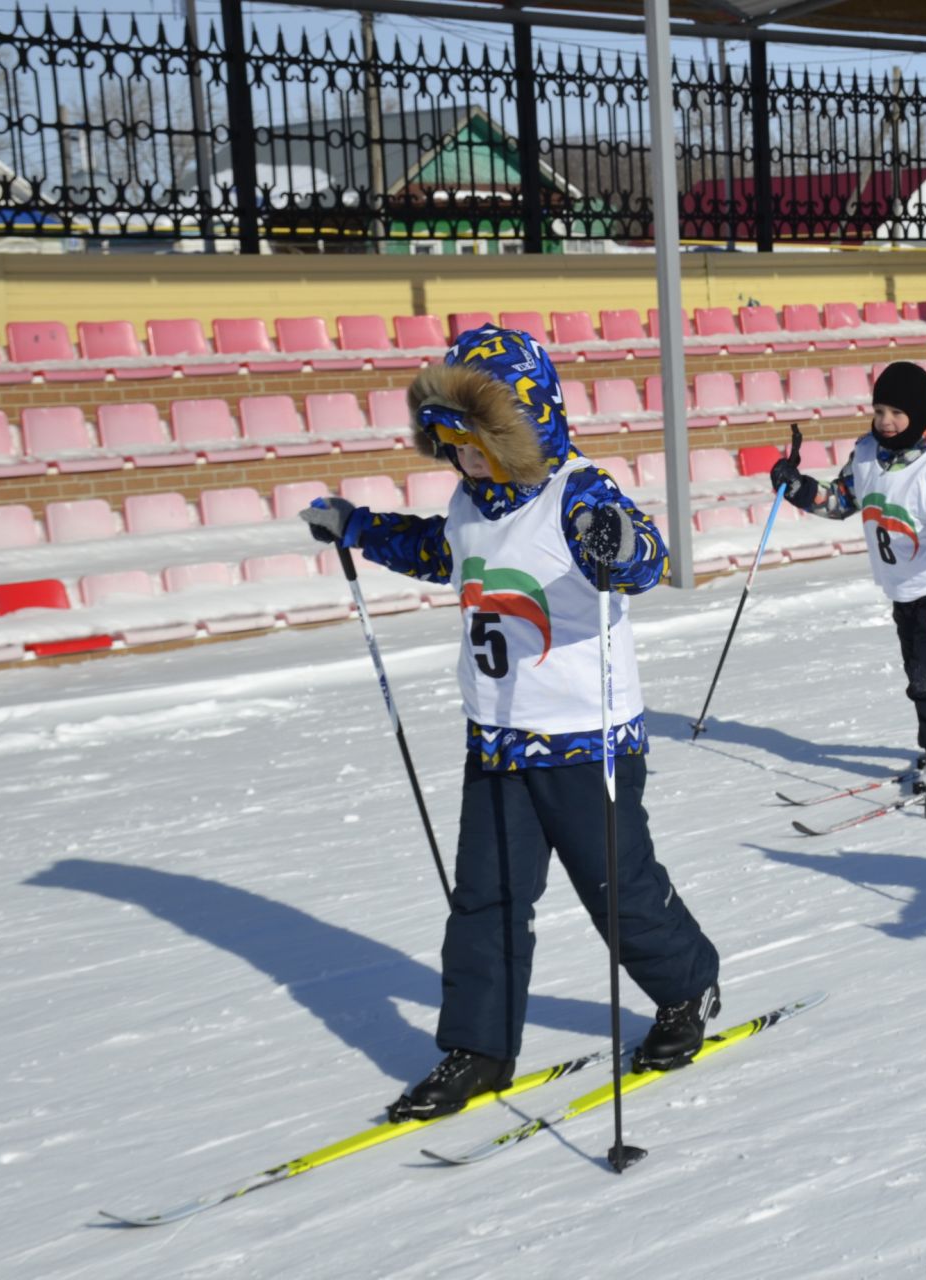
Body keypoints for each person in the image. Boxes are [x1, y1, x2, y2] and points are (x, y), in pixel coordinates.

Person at [300, 326, 722, 1121]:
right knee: (486, 899)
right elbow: (440, 551)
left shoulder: (577, 491)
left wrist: (621, 545)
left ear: (517, 433)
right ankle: (480, 1048)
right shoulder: (469, 502)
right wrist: (356, 526)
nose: (462, 462)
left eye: (475, 445)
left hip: (584, 738)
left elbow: (645, 559)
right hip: (495, 737)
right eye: (450, 447)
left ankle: (688, 986)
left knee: (617, 891)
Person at [768, 361, 926, 789]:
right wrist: (798, 487)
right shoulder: (866, 453)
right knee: (924, 664)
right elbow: (841, 500)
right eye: (880, 410)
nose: (886, 422)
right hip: (900, 583)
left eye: (897, 413)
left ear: (920, 414)